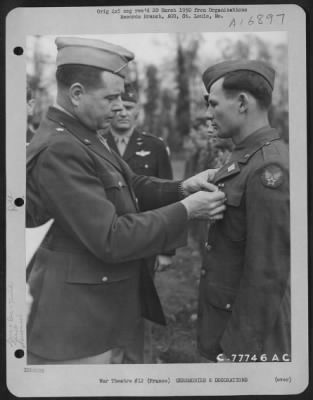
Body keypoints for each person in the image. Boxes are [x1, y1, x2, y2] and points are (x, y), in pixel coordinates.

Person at [26, 36, 226, 365]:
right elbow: (110, 236)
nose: (119, 106)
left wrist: (181, 189)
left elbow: (128, 185)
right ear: (76, 94)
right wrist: (186, 211)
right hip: (77, 325)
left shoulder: (84, 135)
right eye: (111, 97)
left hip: (100, 308)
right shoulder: (61, 148)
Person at [197, 60, 290, 362]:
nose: (207, 114)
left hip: (242, 337)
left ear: (241, 102)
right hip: (222, 319)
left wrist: (239, 352)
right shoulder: (244, 156)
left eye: (213, 104)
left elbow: (267, 272)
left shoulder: (268, 167)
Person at [105, 83, 174, 272]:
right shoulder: (95, 143)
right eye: (118, 107)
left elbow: (167, 197)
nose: (123, 113)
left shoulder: (155, 146)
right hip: (106, 235)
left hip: (146, 235)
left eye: (129, 107)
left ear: (138, 111)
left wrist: (167, 250)